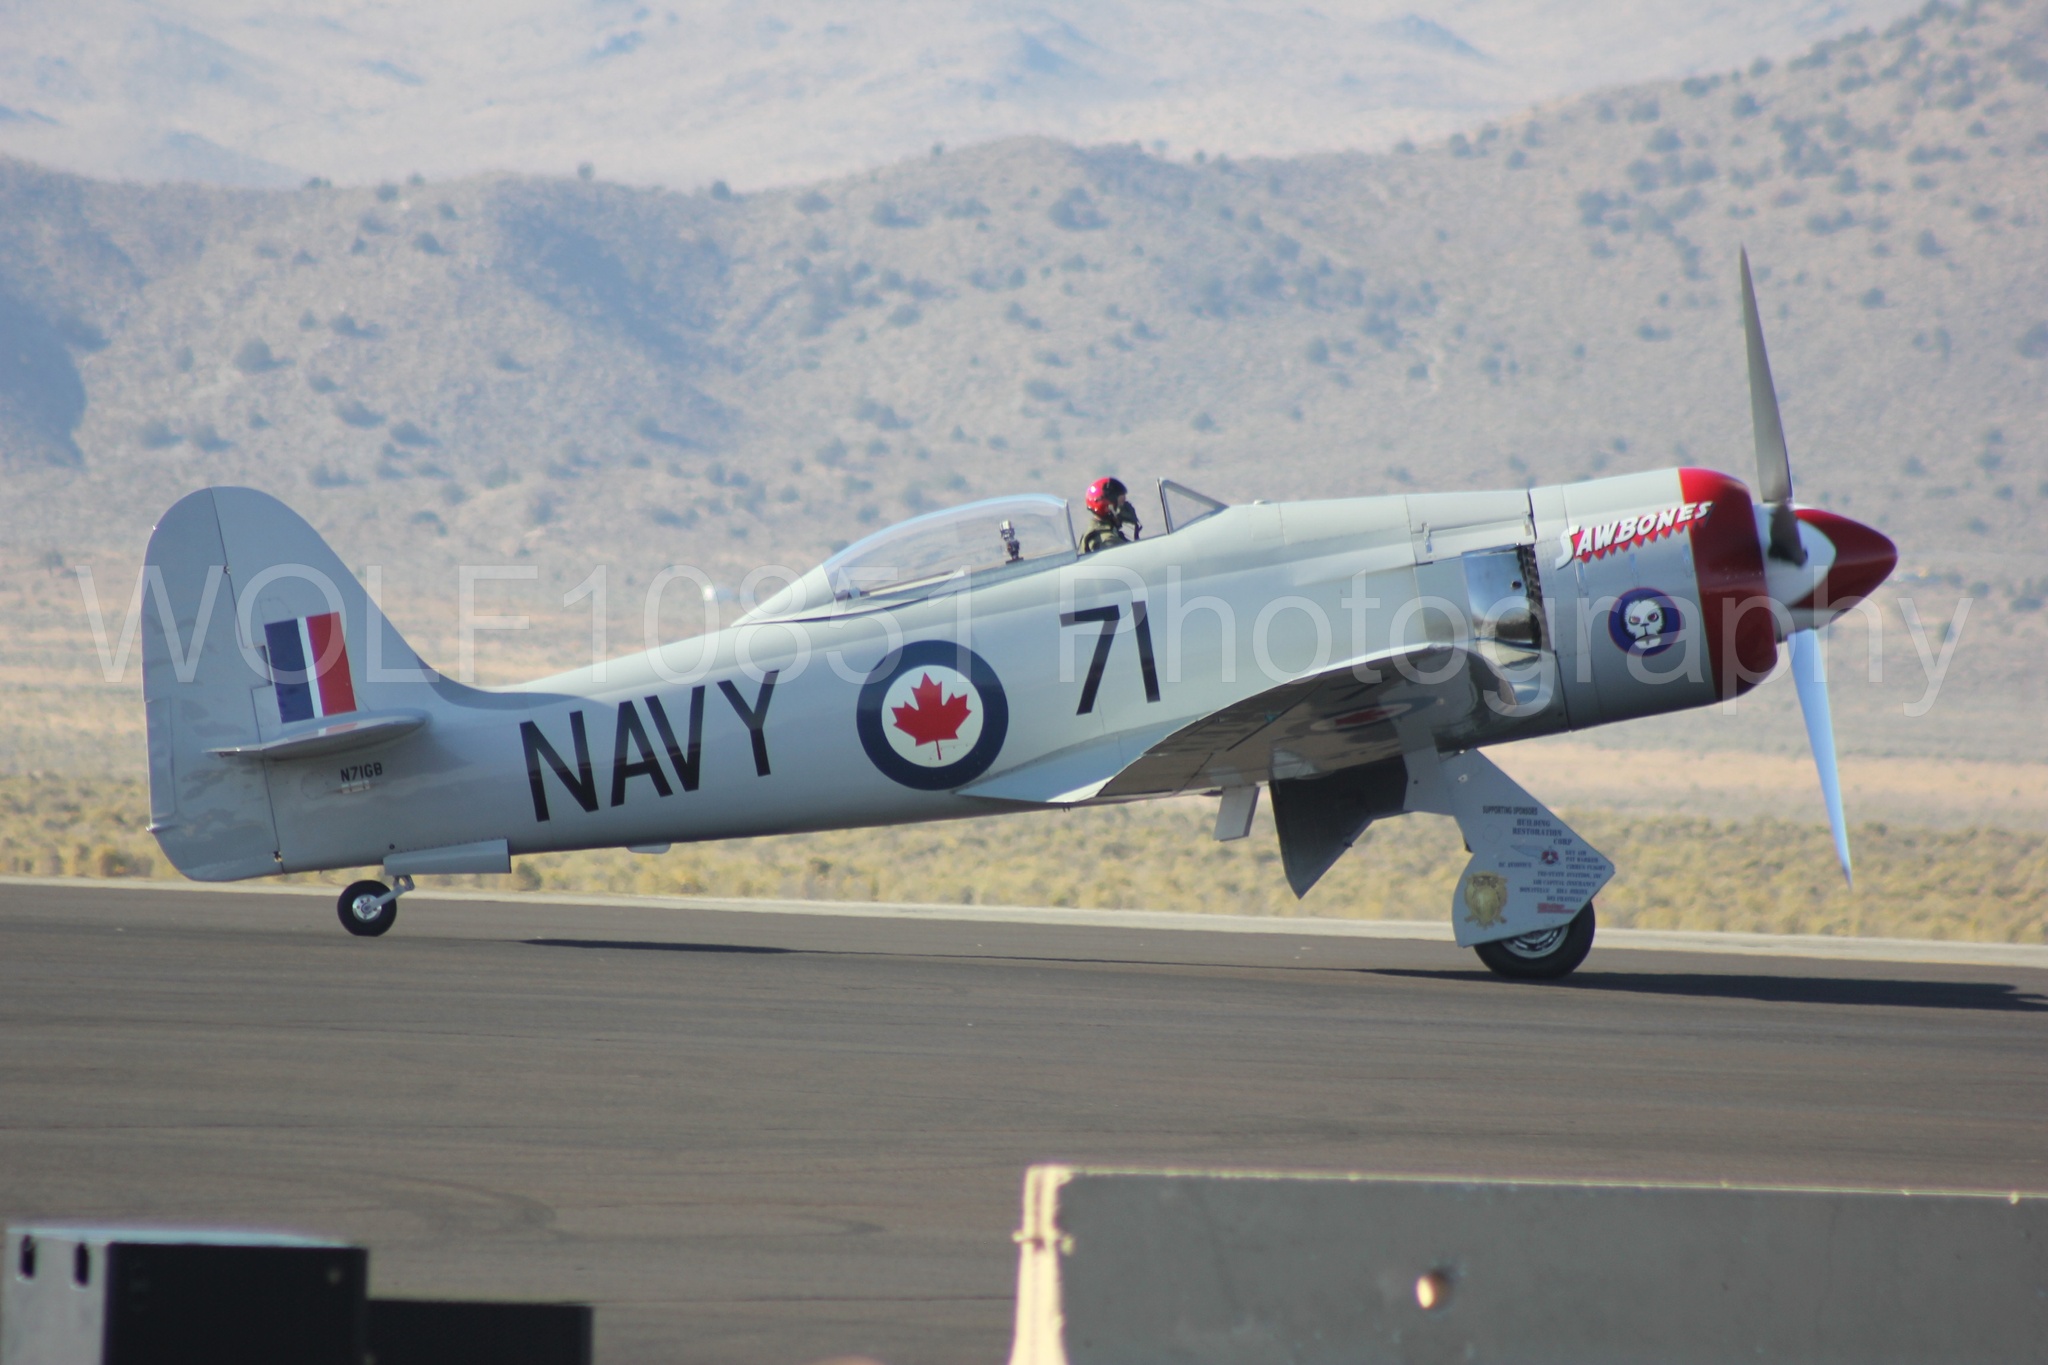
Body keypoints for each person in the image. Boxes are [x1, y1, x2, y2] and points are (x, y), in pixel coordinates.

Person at [1081, 476, 1141, 552]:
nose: (1126, 508)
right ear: (1108, 507)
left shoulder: (1099, 531)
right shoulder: (1108, 542)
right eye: (1121, 504)